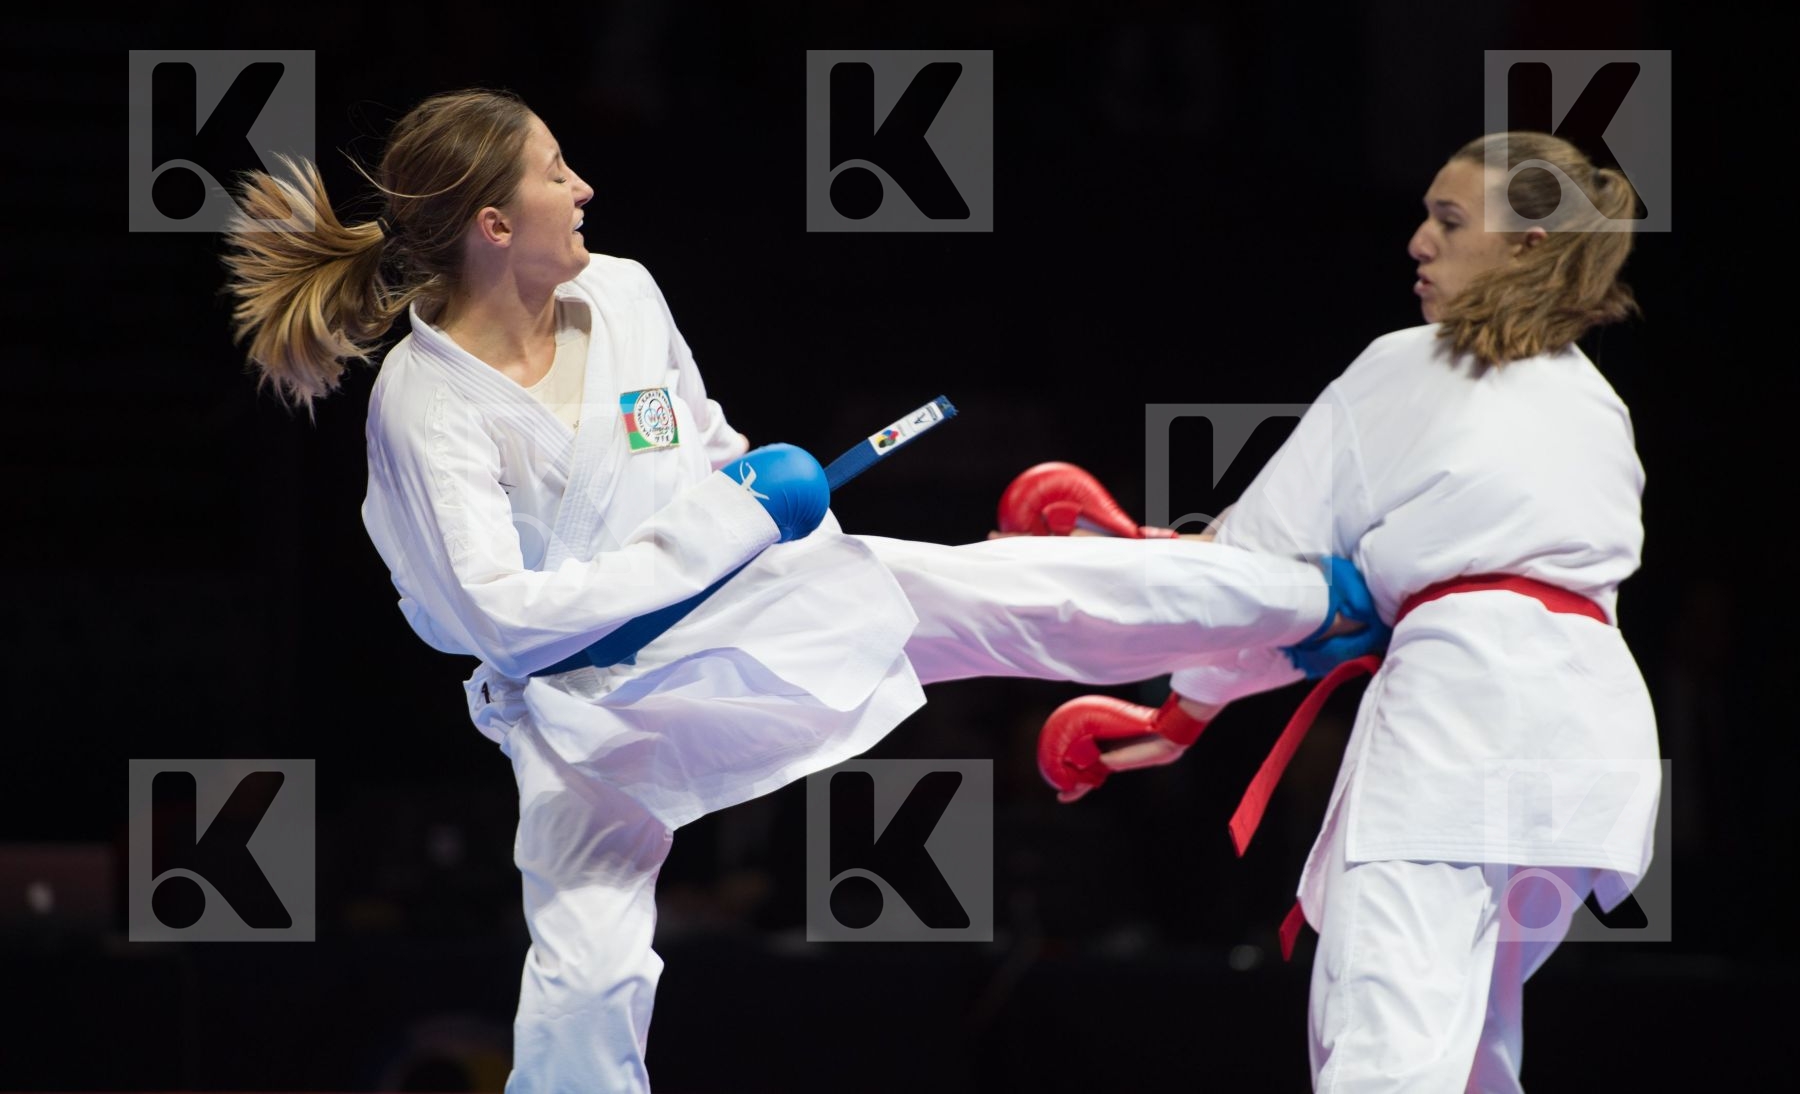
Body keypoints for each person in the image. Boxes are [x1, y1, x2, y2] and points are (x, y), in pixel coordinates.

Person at [221, 87, 1380, 1093]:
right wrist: (726, 518)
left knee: (1016, 589)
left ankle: (1304, 601)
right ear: (492, 224)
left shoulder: (622, 293)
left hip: (752, 600)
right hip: (585, 708)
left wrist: (753, 481)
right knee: (588, 972)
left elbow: (698, 438)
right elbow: (503, 616)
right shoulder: (427, 408)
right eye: (554, 171)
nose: (582, 186)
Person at [1039, 131, 1660, 1092]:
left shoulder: (1409, 363)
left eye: (1450, 221)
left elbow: (1259, 569)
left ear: (1529, 246)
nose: (1418, 241)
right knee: (1476, 1057)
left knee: (1384, 1051)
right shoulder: (1600, 400)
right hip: (1590, 747)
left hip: (1460, 718)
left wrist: (1177, 714)